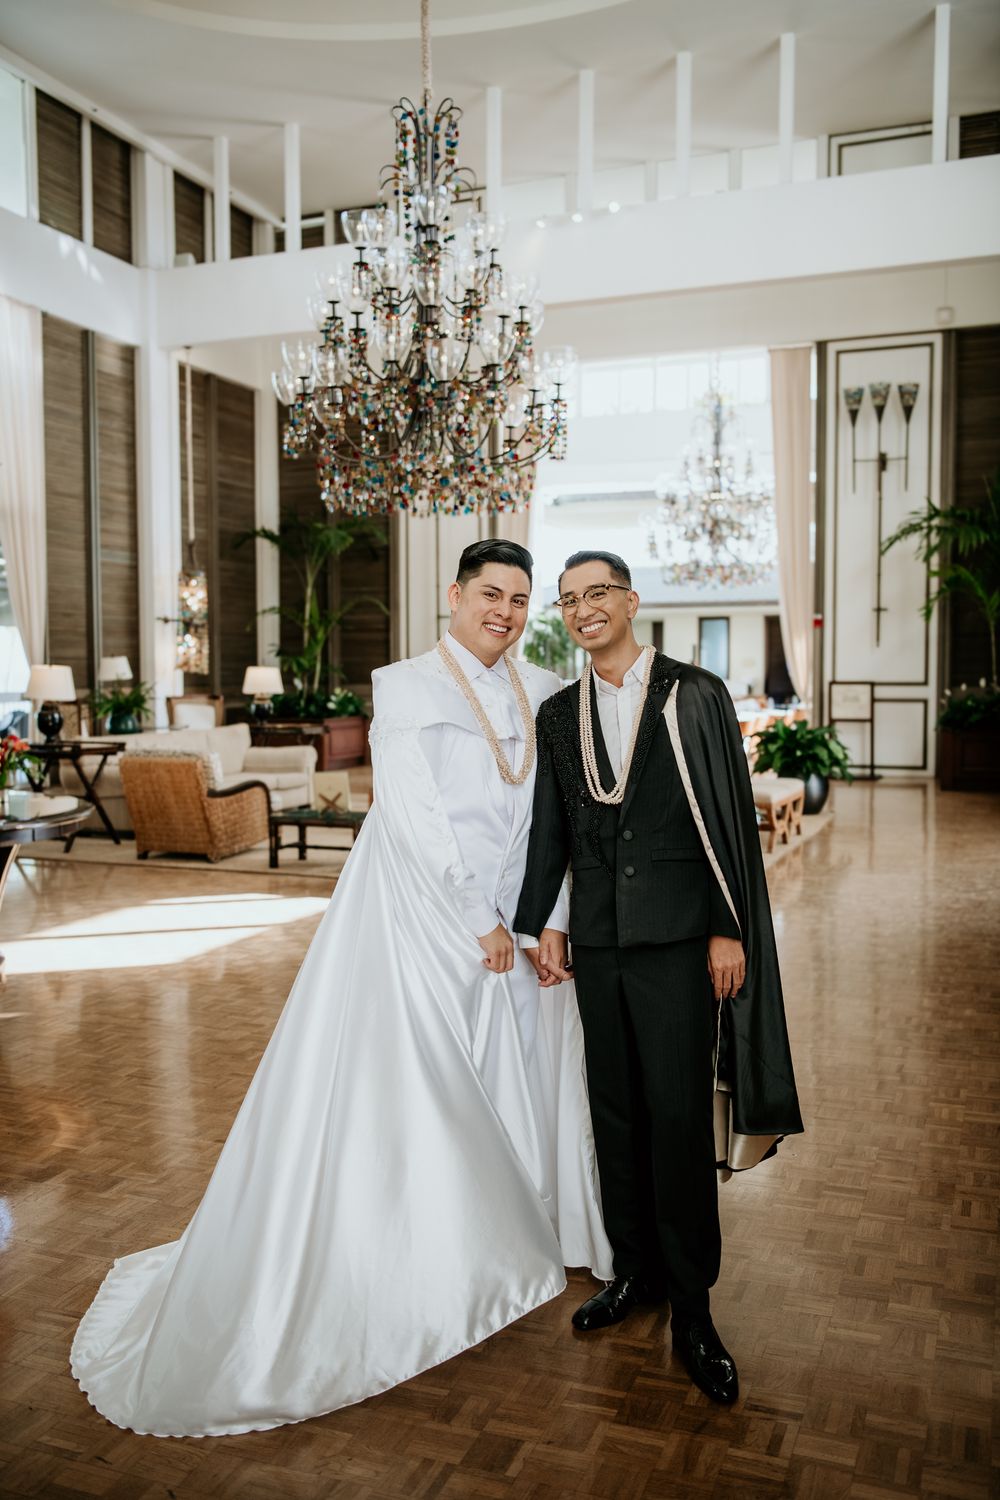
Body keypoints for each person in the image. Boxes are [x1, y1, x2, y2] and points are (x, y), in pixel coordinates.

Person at [71, 539, 611, 1438]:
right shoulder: (403, 684)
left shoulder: (547, 688)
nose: (506, 613)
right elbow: (413, 810)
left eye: (520, 600)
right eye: (491, 594)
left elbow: (556, 815)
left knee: (521, 1063)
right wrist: (477, 918)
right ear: (455, 593)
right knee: (424, 1084)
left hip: (519, 926)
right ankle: (432, 1249)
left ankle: (525, 1222)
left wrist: (542, 914)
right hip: (427, 917)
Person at [514, 550, 803, 1406]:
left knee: (678, 1118)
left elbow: (726, 824)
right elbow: (553, 831)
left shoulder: (694, 693)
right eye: (568, 601)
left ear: (631, 601)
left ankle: (695, 1308)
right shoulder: (560, 714)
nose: (582, 609)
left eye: (596, 592)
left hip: (681, 939)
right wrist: (549, 927)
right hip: (598, 943)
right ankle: (634, 1272)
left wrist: (727, 927)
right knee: (617, 1111)